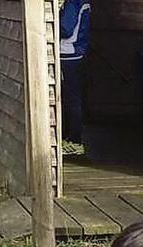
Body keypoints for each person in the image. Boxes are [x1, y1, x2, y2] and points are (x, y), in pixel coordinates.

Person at [58, 0, 91, 155]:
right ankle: (70, 138)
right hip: (75, 53)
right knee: (73, 99)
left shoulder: (73, 3)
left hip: (69, 54)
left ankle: (74, 140)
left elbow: (66, 29)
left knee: (71, 100)